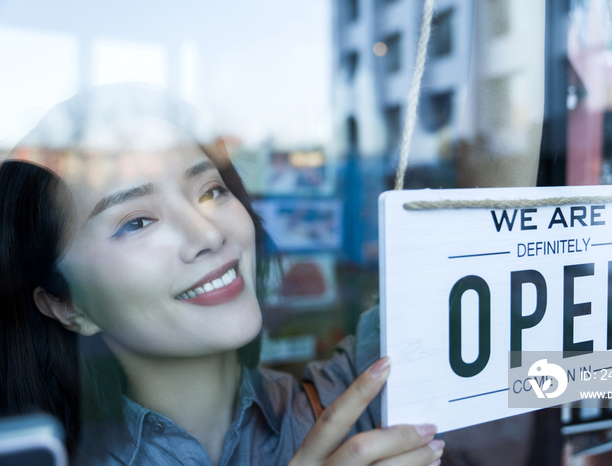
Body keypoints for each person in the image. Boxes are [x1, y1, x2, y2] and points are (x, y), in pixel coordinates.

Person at [0, 85, 445, 466]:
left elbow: (518, 383)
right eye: (136, 221)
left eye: (211, 191)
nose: (207, 233)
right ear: (66, 304)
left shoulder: (366, 392)